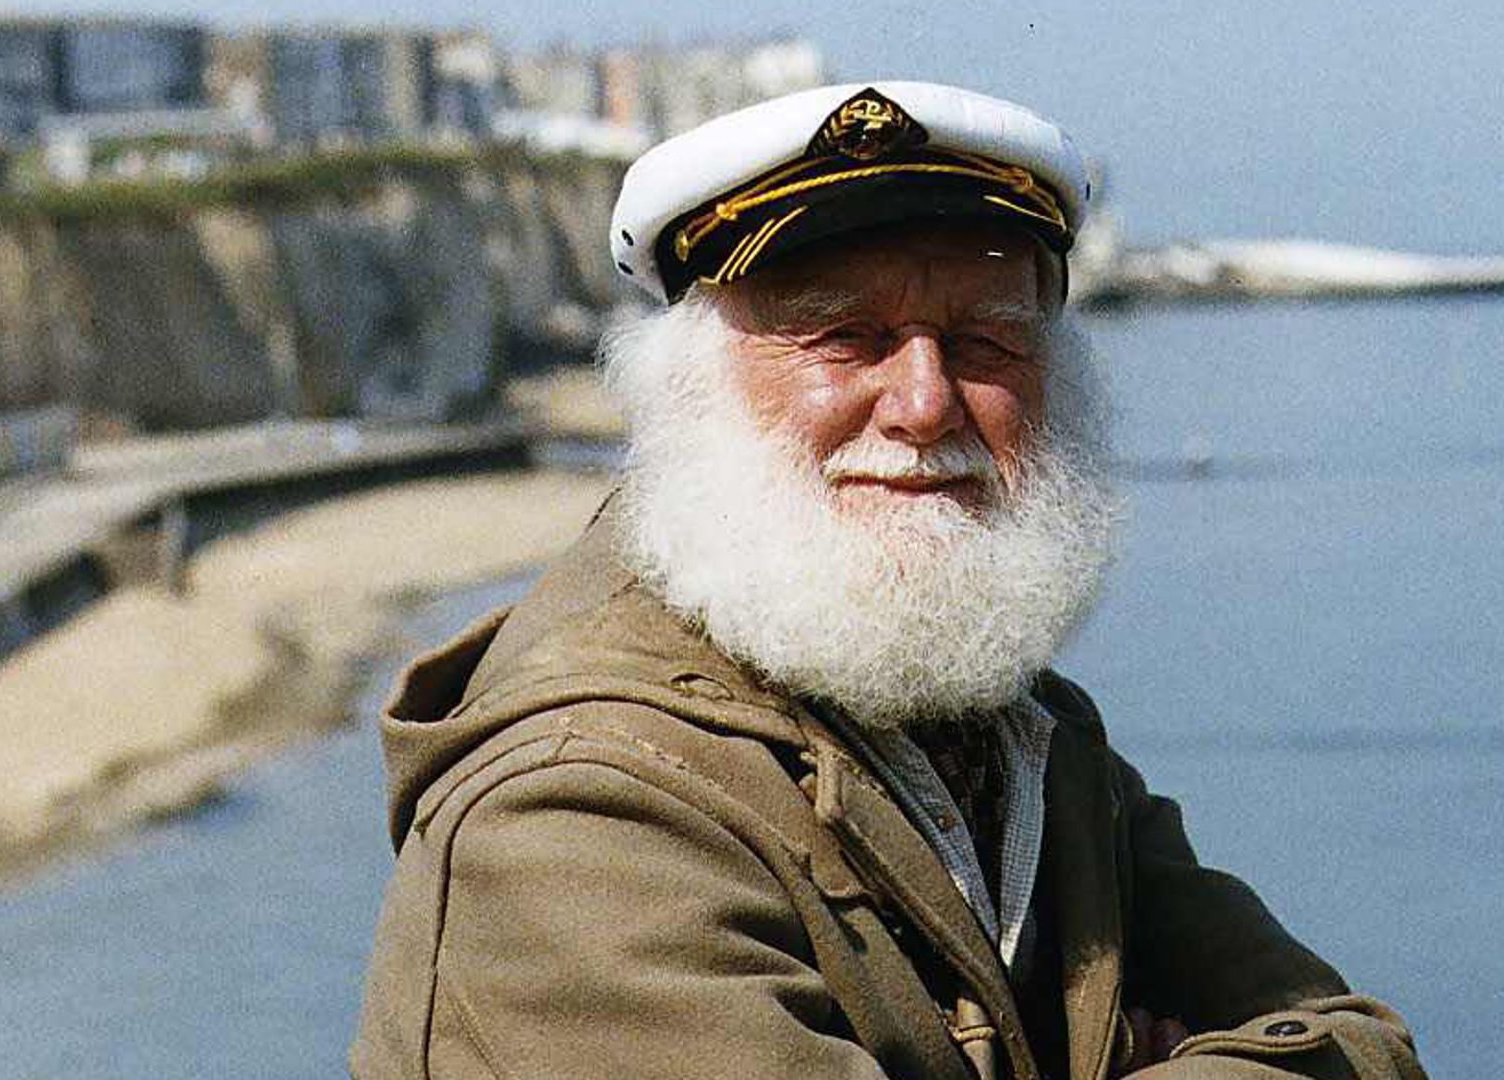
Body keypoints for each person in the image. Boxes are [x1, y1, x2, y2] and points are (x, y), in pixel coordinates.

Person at [350, 82, 1426, 1080]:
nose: (923, 402)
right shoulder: (576, 812)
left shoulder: (1020, 732)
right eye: (844, 337)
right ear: (688, 391)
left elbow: (1361, 1047)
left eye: (985, 342)